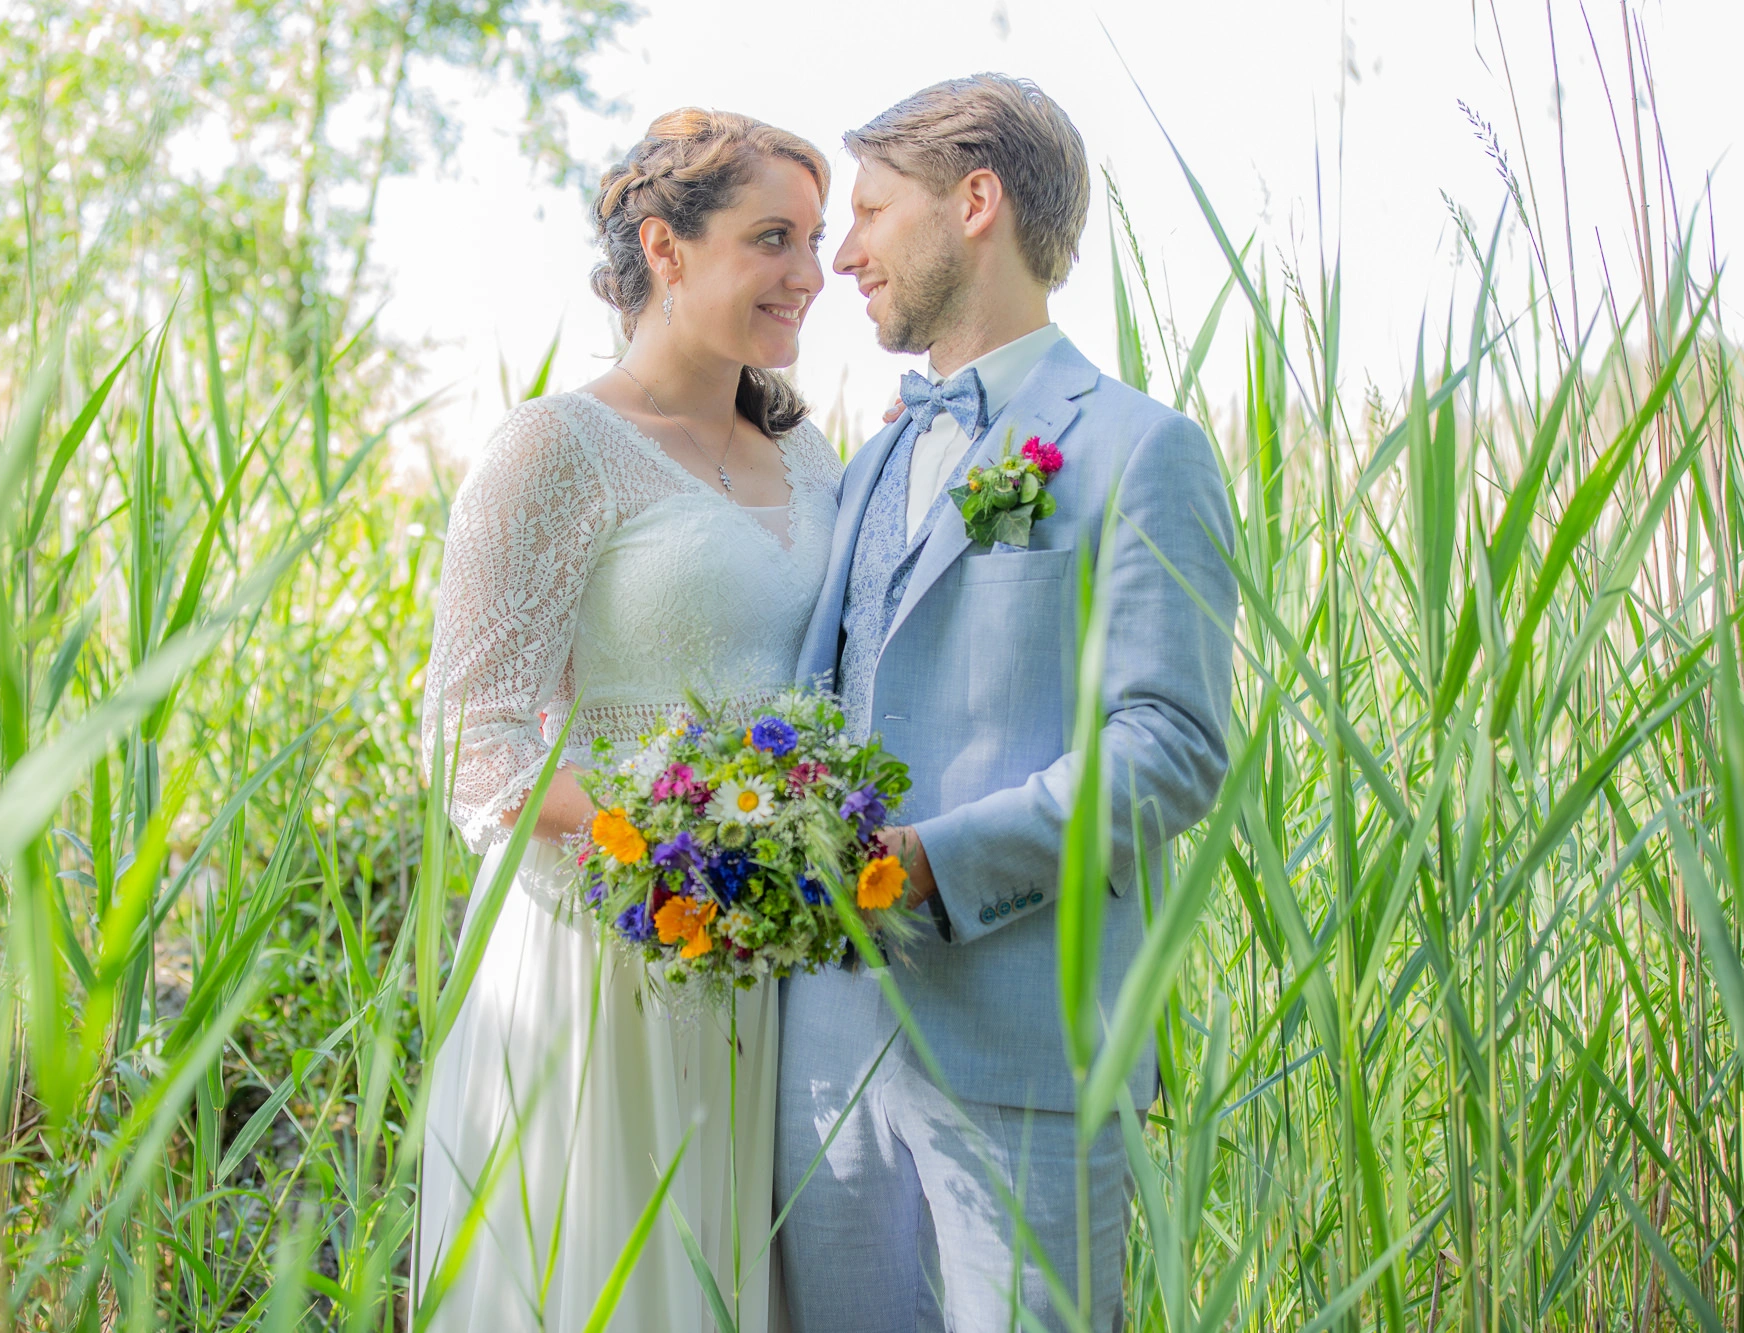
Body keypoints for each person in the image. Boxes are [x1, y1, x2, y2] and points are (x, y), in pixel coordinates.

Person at [776, 74, 1238, 1332]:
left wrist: (933, 861)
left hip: (1026, 1052)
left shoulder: (1140, 450)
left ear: (974, 201)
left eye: (871, 209)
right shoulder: (870, 455)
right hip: (822, 1062)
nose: (844, 254)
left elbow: (1169, 747)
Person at [414, 109, 837, 1329]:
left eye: (815, 241)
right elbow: (468, 736)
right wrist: (672, 845)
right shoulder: (556, 449)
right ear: (664, 247)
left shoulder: (812, 458)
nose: (809, 275)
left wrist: (770, 867)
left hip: (771, 962)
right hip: (600, 954)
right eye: (772, 238)